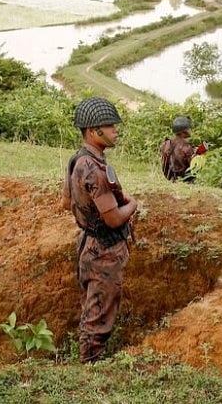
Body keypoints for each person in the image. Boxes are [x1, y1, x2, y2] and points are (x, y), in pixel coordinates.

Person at [61, 96, 138, 363]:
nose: (116, 130)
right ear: (94, 131)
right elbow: (115, 219)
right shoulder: (95, 169)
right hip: (104, 250)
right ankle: (91, 364)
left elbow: (66, 201)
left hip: (88, 245)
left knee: (92, 305)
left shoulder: (77, 161)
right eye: (111, 126)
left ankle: (89, 358)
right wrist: (133, 205)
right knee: (99, 313)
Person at [159, 116, 206, 183]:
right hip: (185, 181)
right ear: (184, 131)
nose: (190, 130)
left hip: (169, 179)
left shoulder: (165, 144)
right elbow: (194, 166)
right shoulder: (186, 146)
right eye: (189, 128)